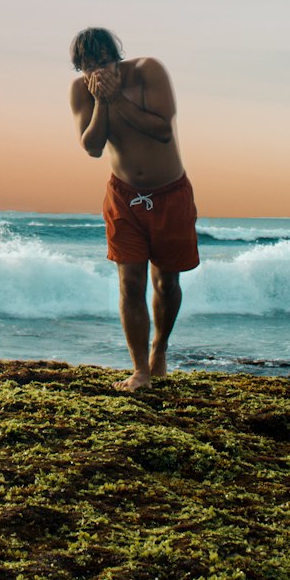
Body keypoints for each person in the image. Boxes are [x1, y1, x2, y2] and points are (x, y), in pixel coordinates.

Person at [69, 27, 199, 391]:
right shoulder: (82, 92)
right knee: (130, 282)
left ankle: (160, 349)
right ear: (79, 68)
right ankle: (140, 369)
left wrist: (119, 100)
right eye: (88, 66)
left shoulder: (149, 72)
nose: (97, 72)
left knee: (167, 282)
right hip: (124, 197)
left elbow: (162, 131)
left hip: (170, 193)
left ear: (117, 58)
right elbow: (93, 147)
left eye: (104, 62)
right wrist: (103, 102)